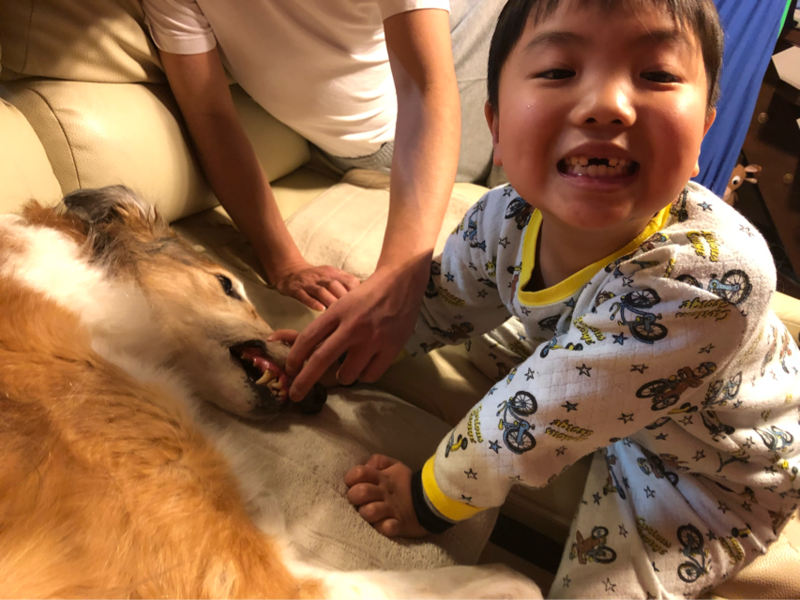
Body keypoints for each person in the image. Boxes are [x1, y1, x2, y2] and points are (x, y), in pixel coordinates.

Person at [342, 1, 800, 598]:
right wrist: (347, 348)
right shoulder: (501, 218)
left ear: (703, 136)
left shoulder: (713, 280)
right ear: (497, 127)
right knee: (500, 349)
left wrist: (430, 500)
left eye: (656, 74)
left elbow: (529, 421)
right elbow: (439, 304)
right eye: (559, 71)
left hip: (711, 466)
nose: (607, 104)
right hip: (592, 369)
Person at [141, 0, 504, 395]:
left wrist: (396, 278)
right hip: (394, 133)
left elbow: (211, 115)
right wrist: (286, 264)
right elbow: (211, 118)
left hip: (397, 107)